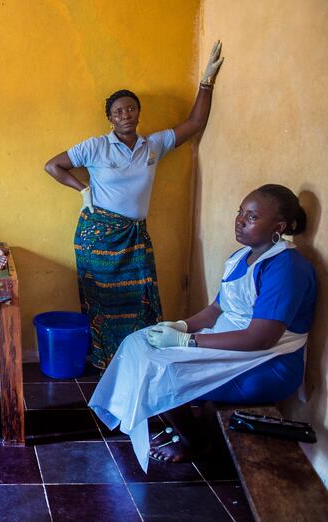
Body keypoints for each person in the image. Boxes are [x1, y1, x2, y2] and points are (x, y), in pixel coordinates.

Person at [89, 184, 316, 472]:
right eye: (240, 212)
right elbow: (216, 310)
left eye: (252, 216)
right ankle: (177, 423)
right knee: (138, 343)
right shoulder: (240, 257)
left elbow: (262, 337)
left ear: (279, 226)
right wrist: (181, 325)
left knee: (164, 372)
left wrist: (187, 342)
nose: (240, 220)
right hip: (227, 344)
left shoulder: (287, 268)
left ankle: (194, 440)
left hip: (266, 362)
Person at [44, 42, 225, 369]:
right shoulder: (96, 147)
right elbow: (53, 166)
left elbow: (195, 122)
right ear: (109, 119)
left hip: (135, 236)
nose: (125, 115)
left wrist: (207, 81)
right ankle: (104, 359)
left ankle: (139, 357)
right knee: (101, 301)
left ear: (138, 113)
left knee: (141, 297)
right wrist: (83, 190)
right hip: (97, 237)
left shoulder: (154, 145)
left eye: (130, 109)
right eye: (118, 112)